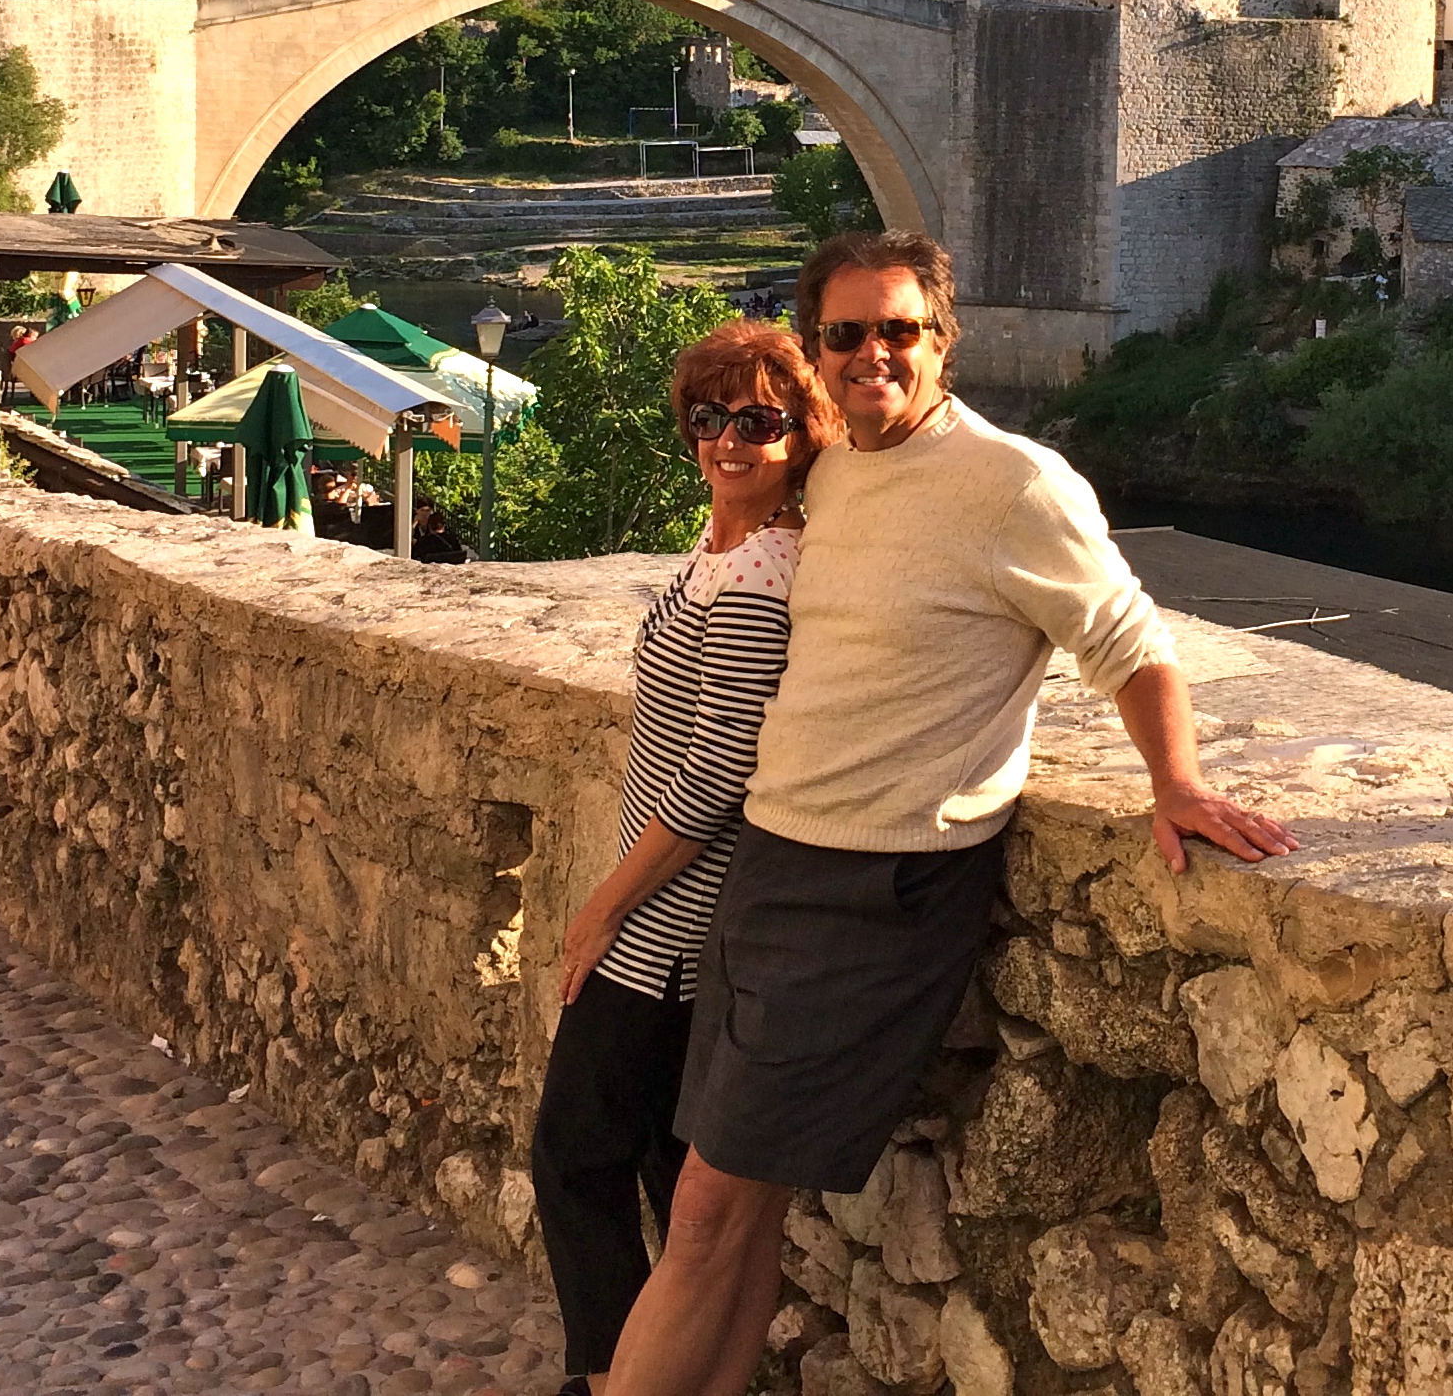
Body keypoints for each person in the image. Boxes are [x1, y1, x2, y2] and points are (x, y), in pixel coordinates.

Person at [605, 230, 1299, 1396]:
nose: (870, 353)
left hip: (877, 884)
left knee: (707, 1200)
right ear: (816, 346)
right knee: (742, 1206)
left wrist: (1172, 781)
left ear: (942, 340)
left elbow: (1129, 642)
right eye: (843, 333)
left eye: (896, 330)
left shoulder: (1012, 483)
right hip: (771, 861)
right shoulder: (826, 471)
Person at [532, 321, 843, 1396]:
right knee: (666, 1173)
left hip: (666, 931)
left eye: (758, 421)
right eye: (707, 417)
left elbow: (717, 774)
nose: (726, 440)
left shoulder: (760, 571)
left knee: (575, 1156)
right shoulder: (723, 545)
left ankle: (609, 1378)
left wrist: (601, 908)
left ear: (802, 435)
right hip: (675, 923)